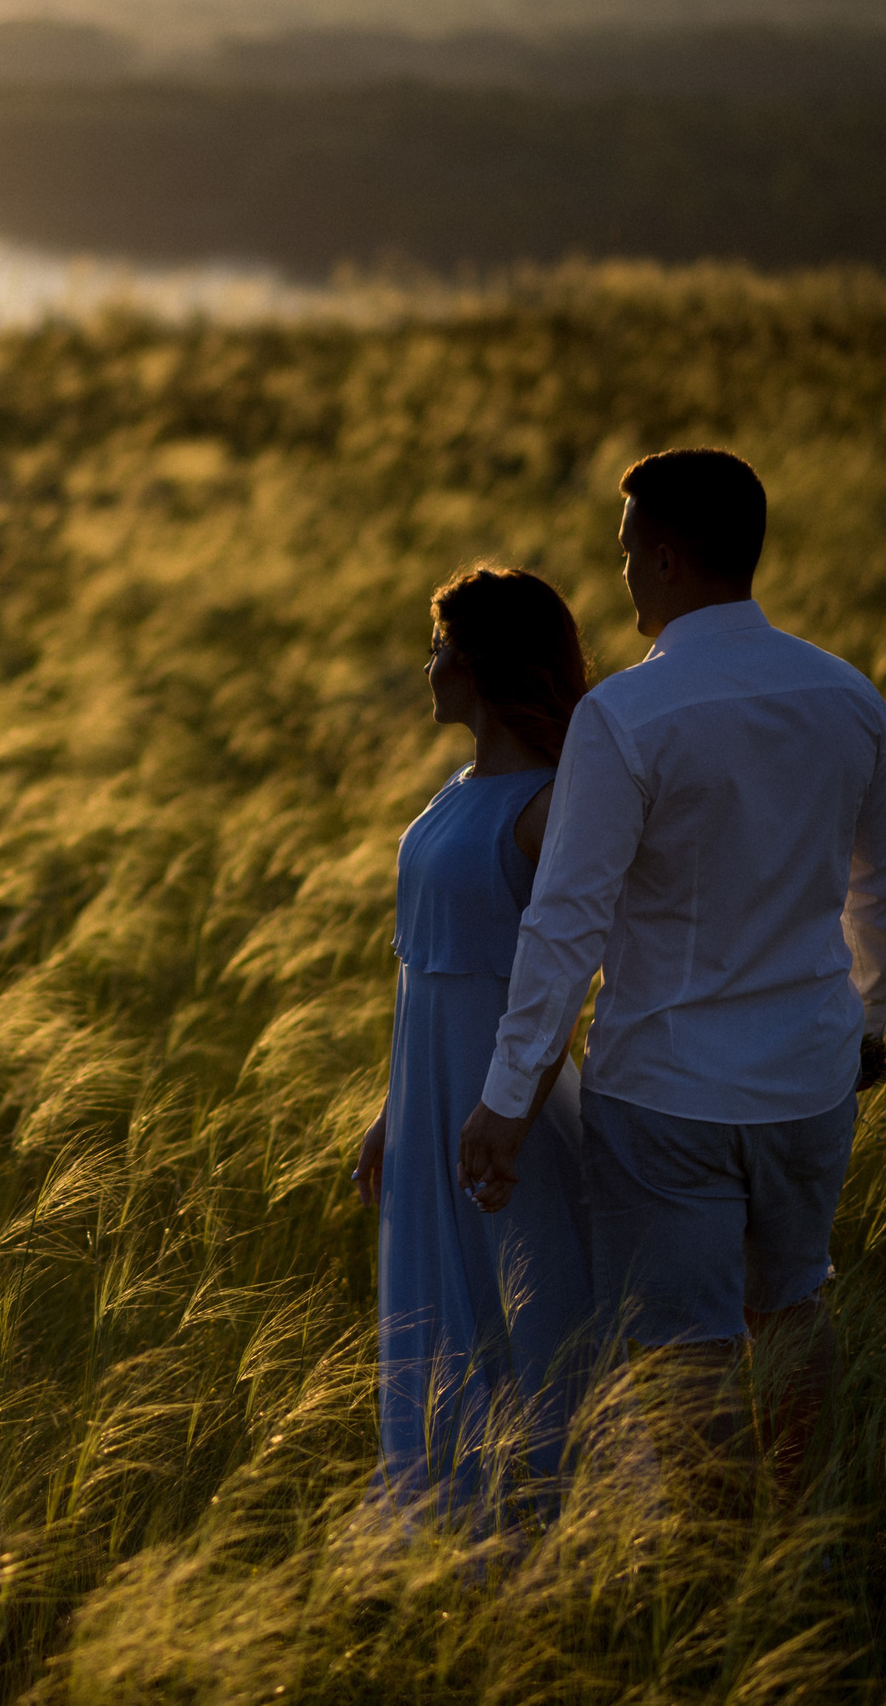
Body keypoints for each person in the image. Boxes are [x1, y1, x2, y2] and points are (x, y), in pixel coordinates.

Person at [455, 448, 886, 1505]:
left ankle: (714, 1584)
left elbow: (567, 920)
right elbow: (878, 887)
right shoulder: (846, 694)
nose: (619, 578)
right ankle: (801, 1547)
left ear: (663, 555)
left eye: (625, 553)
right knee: (795, 1305)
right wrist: (866, 1021)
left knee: (681, 1344)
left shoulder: (627, 715)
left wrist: (507, 1092)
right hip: (809, 1078)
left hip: (664, 1091)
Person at [352, 564, 595, 1516]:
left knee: (523, 1315)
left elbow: (565, 968)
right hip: (428, 1094)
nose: (430, 663)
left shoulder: (545, 807)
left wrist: (509, 1104)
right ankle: (445, 1516)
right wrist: (391, 1107)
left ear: (483, 660)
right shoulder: (460, 786)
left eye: (441, 643)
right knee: (438, 1315)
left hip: (503, 1098)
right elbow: (423, 974)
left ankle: (542, 1525)